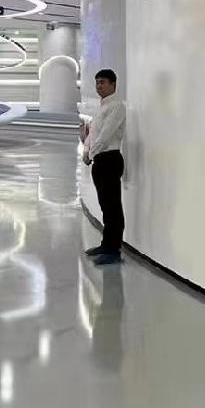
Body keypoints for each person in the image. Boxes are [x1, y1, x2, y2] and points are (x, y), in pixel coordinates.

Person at [81, 69, 126, 265]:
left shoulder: (117, 107)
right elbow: (92, 135)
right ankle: (106, 244)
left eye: (103, 82)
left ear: (113, 84)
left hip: (110, 159)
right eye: (97, 82)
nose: (99, 86)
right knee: (105, 205)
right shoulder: (101, 108)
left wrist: (91, 154)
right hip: (100, 160)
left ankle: (113, 249)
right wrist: (87, 151)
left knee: (113, 206)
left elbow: (105, 135)